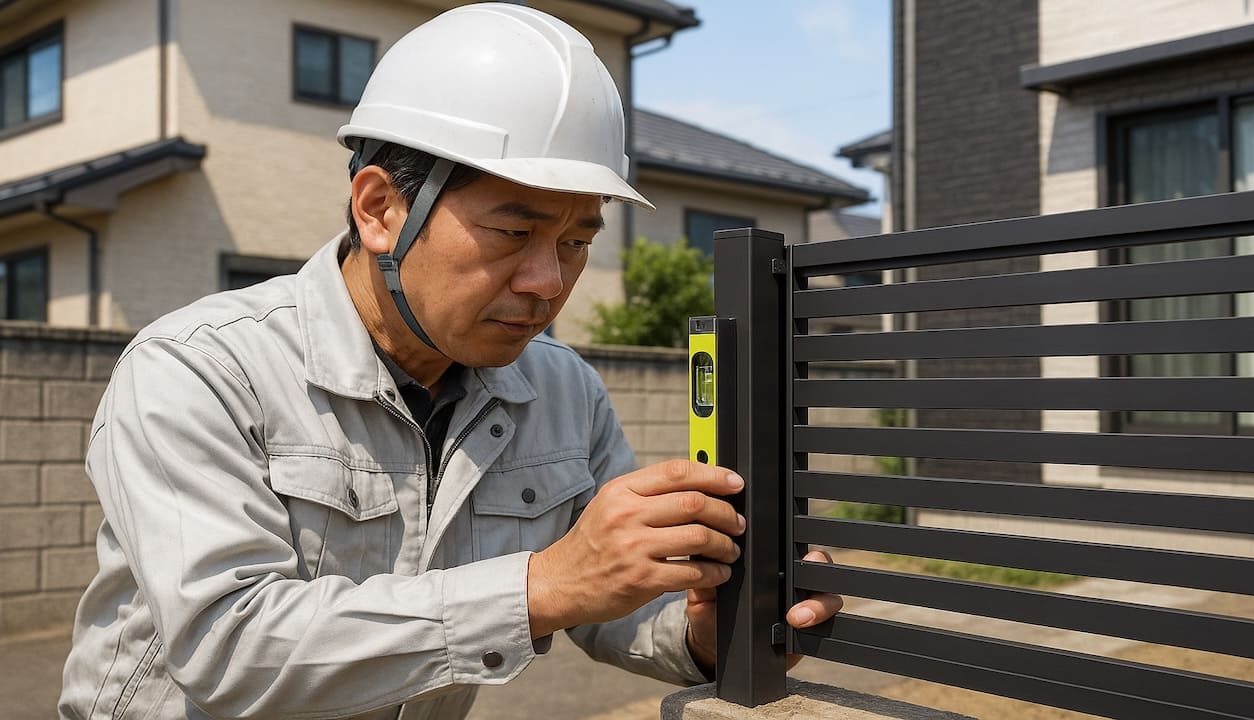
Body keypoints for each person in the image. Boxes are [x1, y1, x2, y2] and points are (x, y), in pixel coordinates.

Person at [59, 5, 840, 719]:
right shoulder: (198, 370)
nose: (548, 282)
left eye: (576, 242)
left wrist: (708, 629)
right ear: (379, 210)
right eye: (512, 232)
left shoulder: (563, 391)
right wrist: (542, 585)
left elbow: (607, 605)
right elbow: (227, 645)